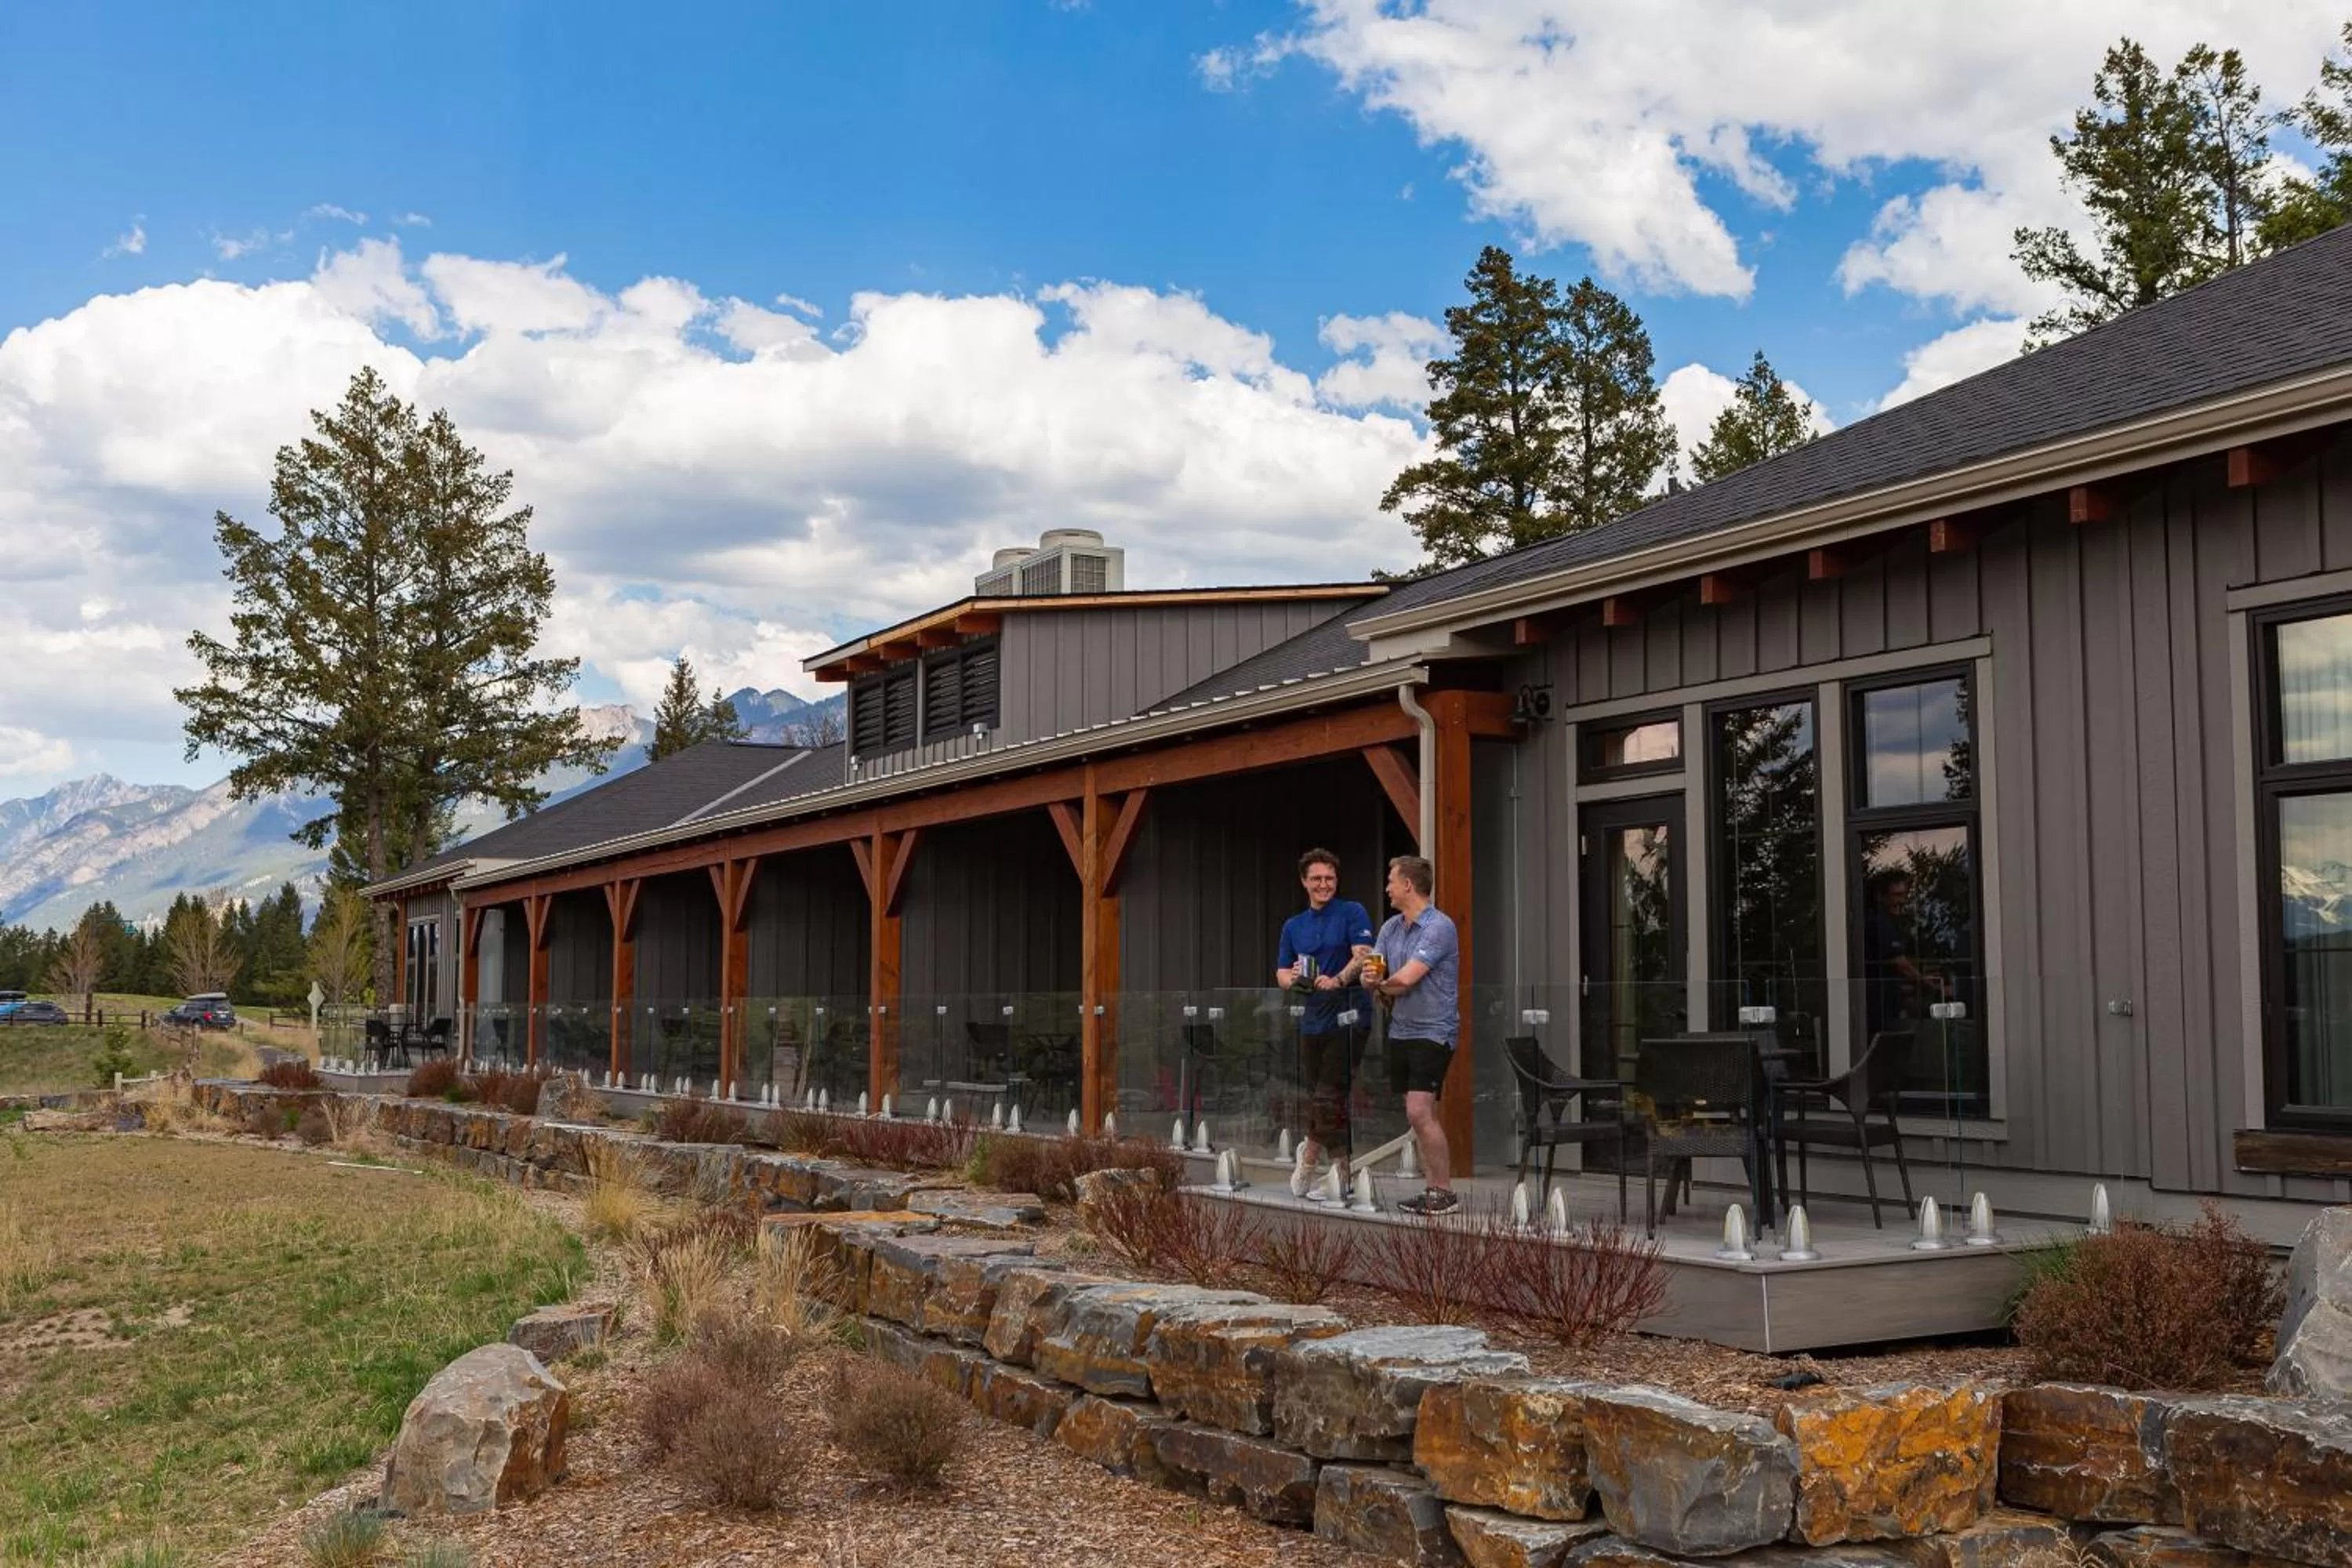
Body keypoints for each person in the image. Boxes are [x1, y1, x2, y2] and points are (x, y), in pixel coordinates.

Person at [1274, 848, 1375, 1199]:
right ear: (1304, 882)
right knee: (1326, 1097)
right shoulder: (1293, 926)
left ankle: (1312, 1159)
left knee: (1328, 1094)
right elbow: (1281, 974)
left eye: (1329, 878)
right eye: (1316, 878)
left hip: (1349, 1017)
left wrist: (1338, 979)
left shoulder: (1352, 912)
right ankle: (1340, 1173)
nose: (1323, 884)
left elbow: (1363, 954)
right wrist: (1294, 978)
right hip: (1311, 1018)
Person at [1370, 853, 1461, 1216]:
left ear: (1408, 885)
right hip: (1402, 1029)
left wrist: (1380, 985)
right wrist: (1374, 980)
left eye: (1391, 881)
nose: (1387, 888)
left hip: (1434, 1030)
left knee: (1419, 1111)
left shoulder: (1439, 927)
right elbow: (1374, 972)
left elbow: (1405, 979)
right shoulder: (1390, 929)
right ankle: (1433, 1190)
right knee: (1419, 1116)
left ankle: (1444, 1192)